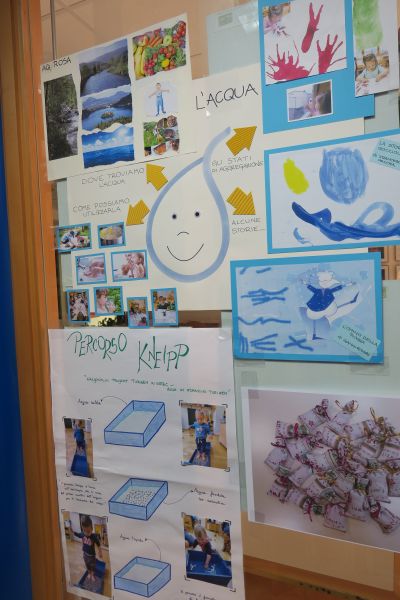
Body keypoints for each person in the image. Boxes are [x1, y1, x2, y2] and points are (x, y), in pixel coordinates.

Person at [74, 516, 103, 583]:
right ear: (82, 529)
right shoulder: (82, 534)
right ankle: (89, 573)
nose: (86, 533)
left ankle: (92, 574)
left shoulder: (94, 536)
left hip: (92, 556)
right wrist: (73, 532)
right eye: (84, 531)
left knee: (92, 566)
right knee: (87, 565)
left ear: (92, 528)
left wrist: (100, 552)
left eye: (88, 531)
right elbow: (78, 534)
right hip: (85, 554)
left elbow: (98, 544)